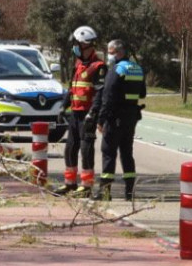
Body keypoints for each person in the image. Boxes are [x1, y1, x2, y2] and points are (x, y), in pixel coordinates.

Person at [90, 38, 146, 202]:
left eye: (111, 52)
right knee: (127, 153)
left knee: (108, 153)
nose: (109, 56)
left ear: (119, 52)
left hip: (115, 118)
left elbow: (108, 97)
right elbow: (142, 94)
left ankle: (105, 192)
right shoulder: (137, 69)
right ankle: (130, 191)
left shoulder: (116, 70)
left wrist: (101, 119)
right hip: (131, 118)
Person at [56, 25, 106, 197]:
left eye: (77, 43)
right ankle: (70, 183)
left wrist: (94, 113)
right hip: (75, 114)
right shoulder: (78, 65)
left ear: (86, 45)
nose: (75, 47)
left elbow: (100, 93)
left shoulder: (98, 67)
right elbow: (72, 89)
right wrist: (64, 105)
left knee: (86, 150)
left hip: (87, 116)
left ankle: (86, 186)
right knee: (70, 148)